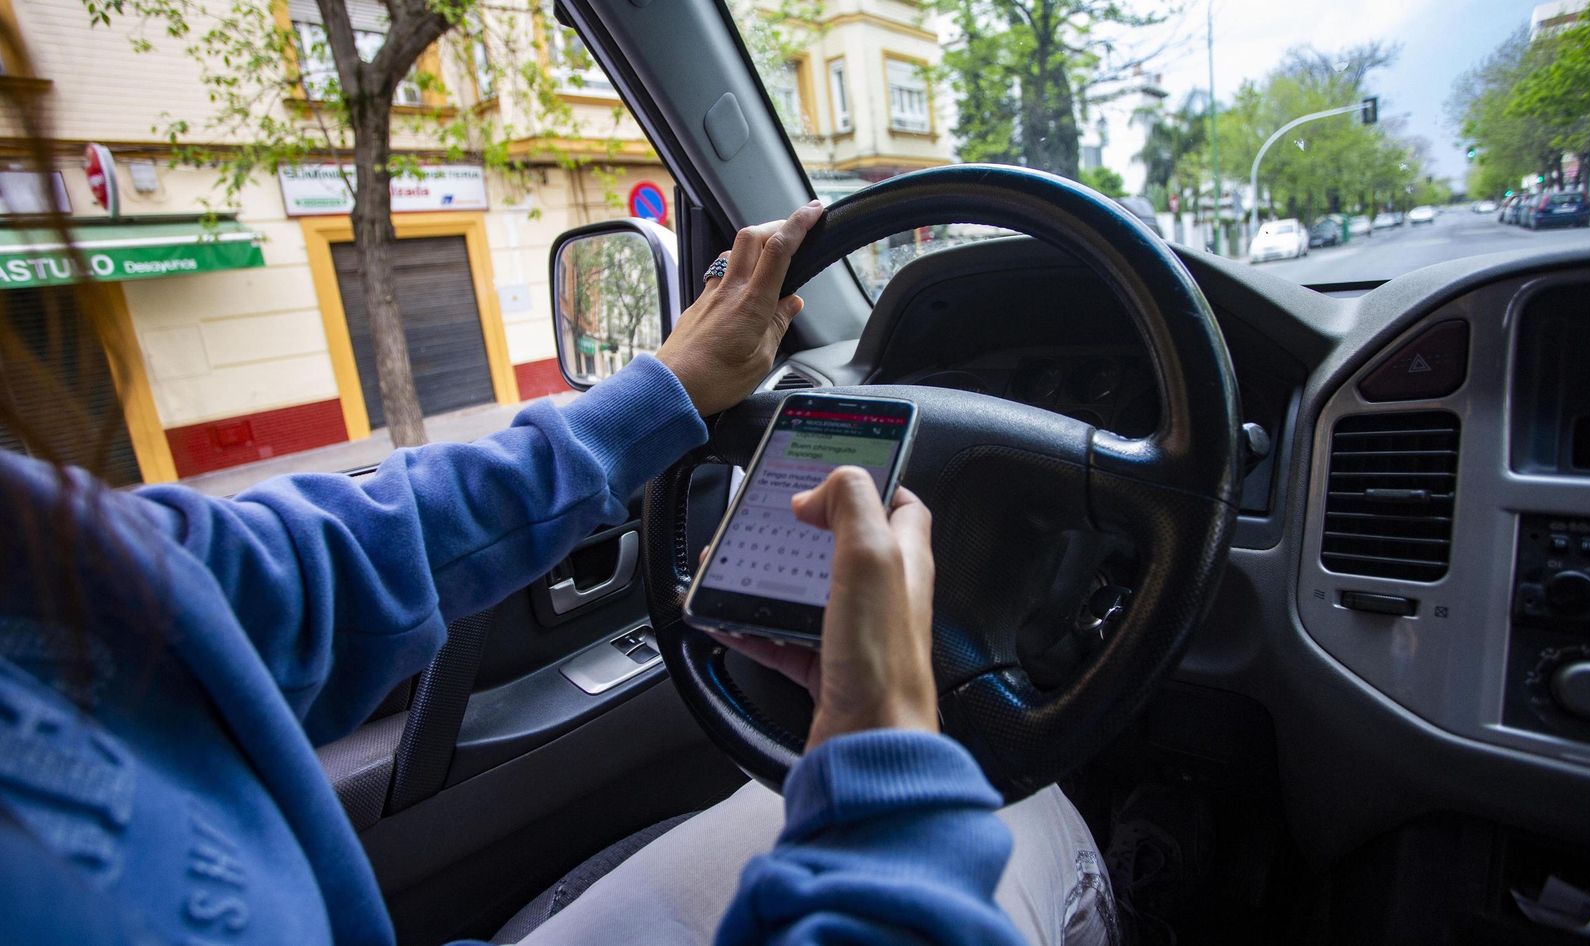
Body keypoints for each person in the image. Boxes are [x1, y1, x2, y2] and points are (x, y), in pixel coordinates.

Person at [0, 200, 1115, 945]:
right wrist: (881, 732)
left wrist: (665, 387)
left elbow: (305, 565)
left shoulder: (37, 554)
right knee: (1034, 816)